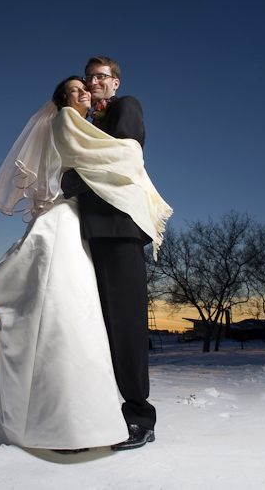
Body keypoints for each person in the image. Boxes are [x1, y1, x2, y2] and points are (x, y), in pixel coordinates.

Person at [0, 76, 171, 453]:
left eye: (89, 85)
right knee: (64, 316)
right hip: (67, 222)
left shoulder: (100, 120)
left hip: (89, 228)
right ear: (62, 99)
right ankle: (59, 419)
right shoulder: (65, 120)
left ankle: (90, 416)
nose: (85, 90)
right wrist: (71, 182)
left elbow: (112, 161)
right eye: (76, 88)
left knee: (75, 317)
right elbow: (66, 176)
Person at [60, 56, 158, 450]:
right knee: (89, 327)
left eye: (102, 77)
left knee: (126, 324)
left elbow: (123, 159)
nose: (94, 83)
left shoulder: (126, 106)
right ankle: (95, 417)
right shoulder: (82, 119)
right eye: (89, 77)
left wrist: (73, 178)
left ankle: (140, 418)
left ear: (115, 83)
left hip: (119, 230)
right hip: (85, 233)